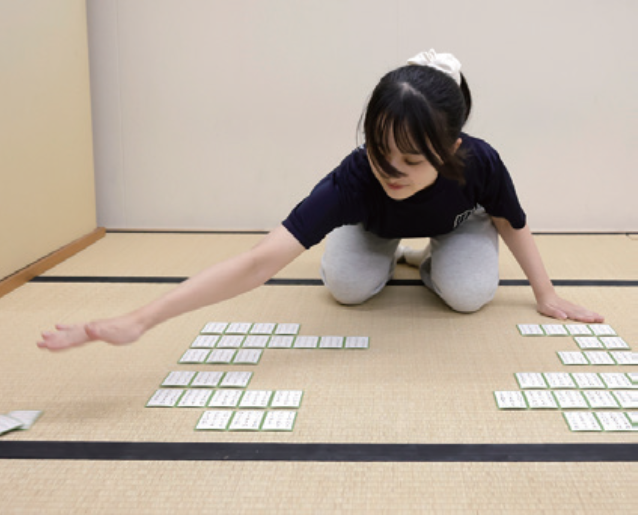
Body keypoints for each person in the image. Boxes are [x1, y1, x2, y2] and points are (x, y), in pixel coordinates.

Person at [37, 49, 603, 352]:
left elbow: (510, 221)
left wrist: (546, 294)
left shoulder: (480, 162)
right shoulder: (354, 181)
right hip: (375, 226)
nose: (391, 171)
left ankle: (427, 260)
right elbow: (258, 263)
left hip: (455, 225)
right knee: (346, 288)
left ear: (451, 149)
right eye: (380, 152)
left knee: (470, 294)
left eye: (411, 161)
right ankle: (392, 251)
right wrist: (140, 319)